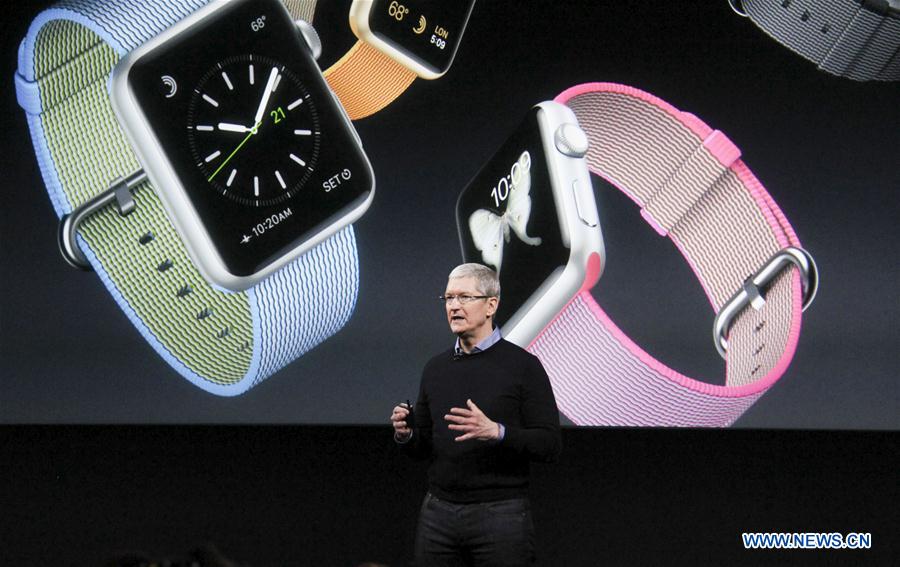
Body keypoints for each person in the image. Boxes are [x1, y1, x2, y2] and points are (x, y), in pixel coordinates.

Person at [391, 263, 562, 566]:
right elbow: (426, 446)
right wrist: (407, 436)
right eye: (448, 298)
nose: (453, 306)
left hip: (500, 515)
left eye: (464, 297)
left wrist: (498, 432)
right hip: (439, 514)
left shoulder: (524, 367)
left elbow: (549, 444)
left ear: (490, 305)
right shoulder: (436, 368)